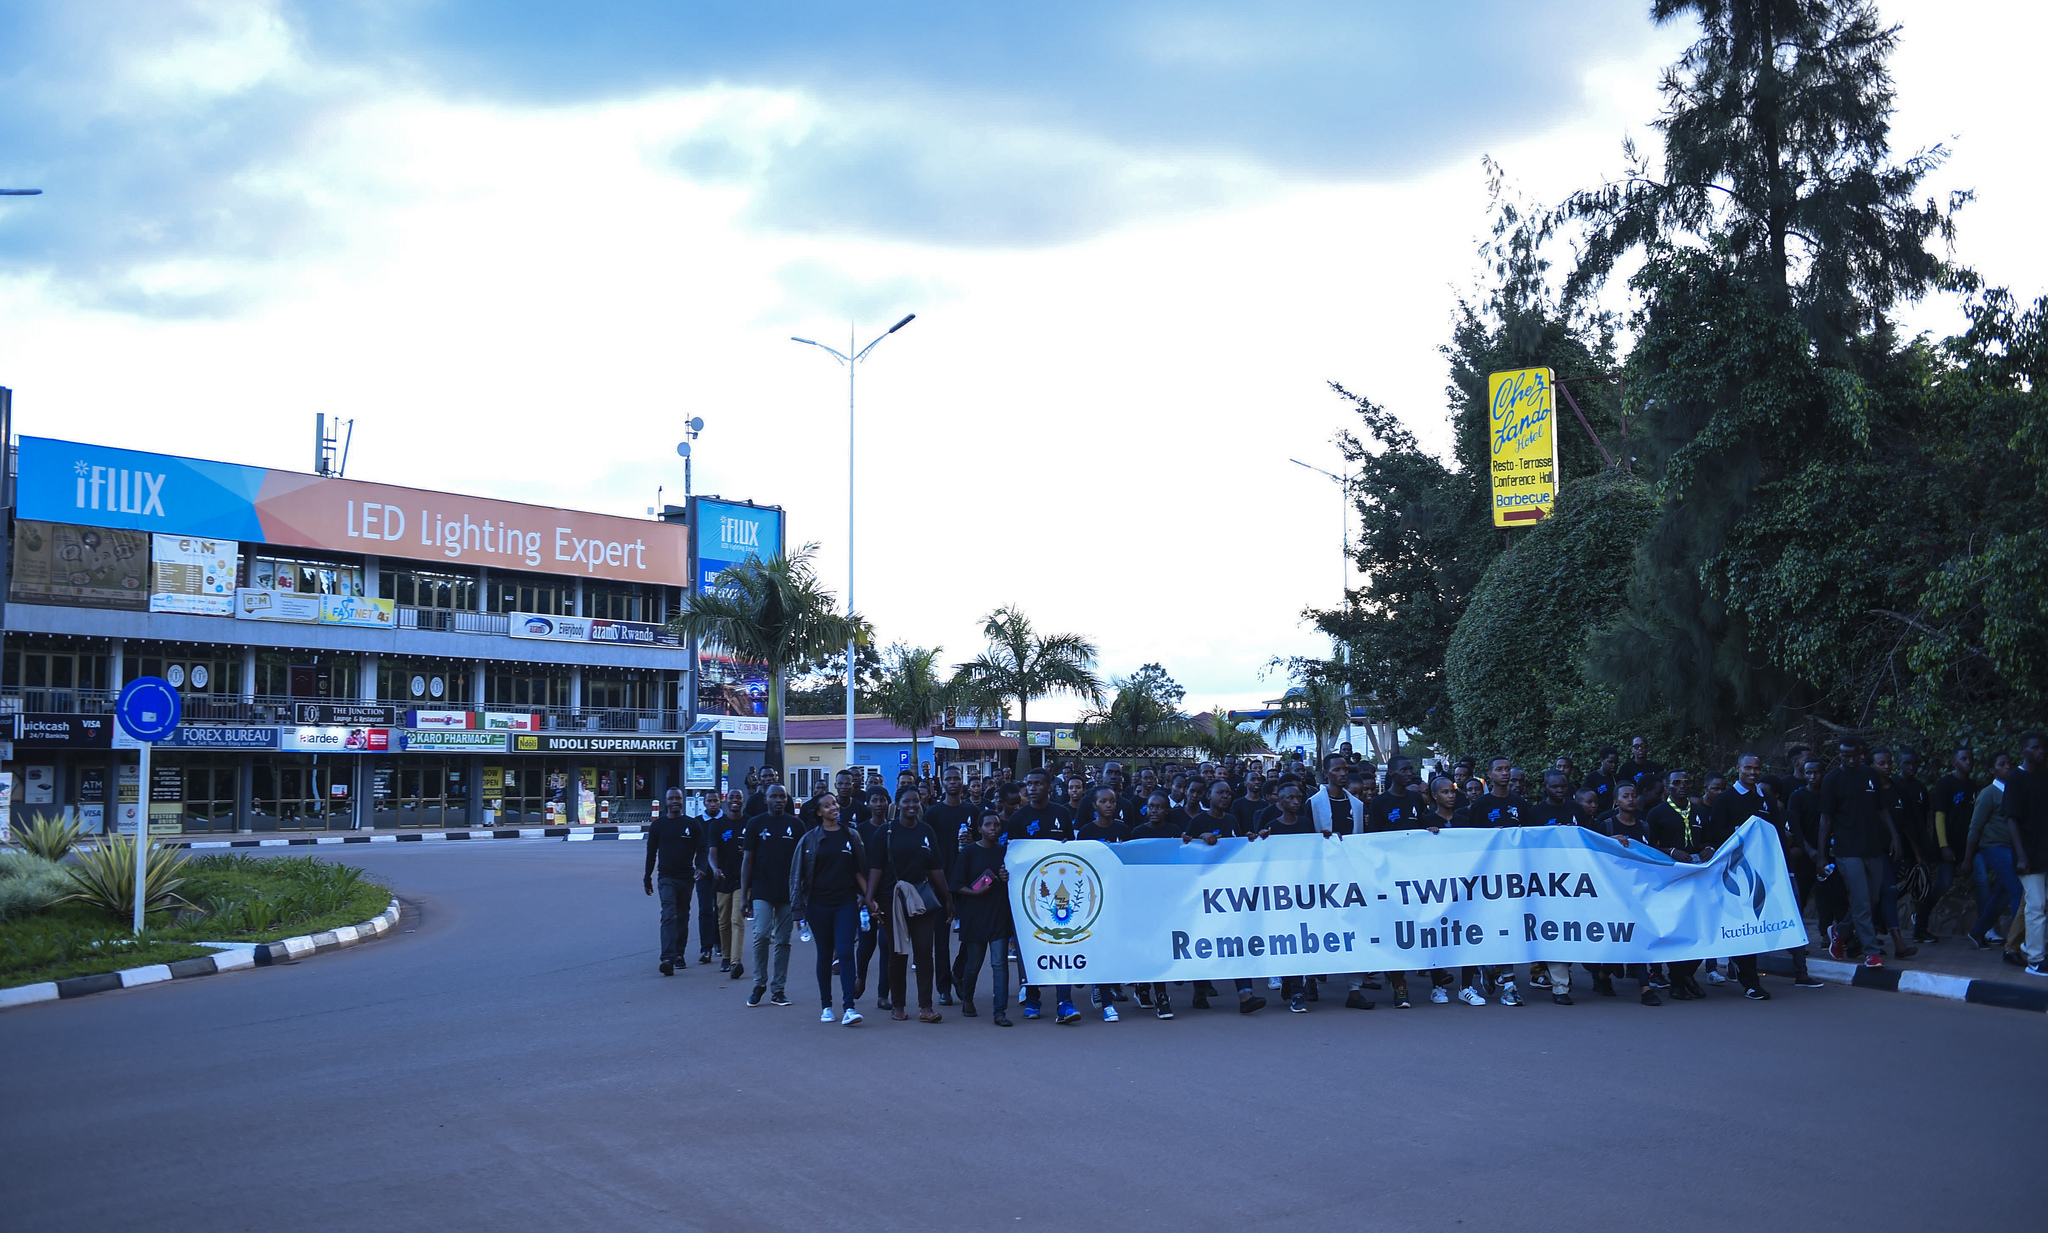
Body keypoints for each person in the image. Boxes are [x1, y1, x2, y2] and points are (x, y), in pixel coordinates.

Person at [1816, 738, 1906, 968]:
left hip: (1873, 847)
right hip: (1847, 850)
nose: (1850, 760)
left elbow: (1881, 808)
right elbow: (1826, 819)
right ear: (1839, 755)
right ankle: (1871, 952)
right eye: (1845, 756)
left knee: (1872, 898)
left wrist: (1895, 836)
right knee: (1861, 901)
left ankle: (1840, 931)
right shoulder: (1832, 780)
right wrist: (1821, 855)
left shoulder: (1870, 775)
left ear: (1861, 755)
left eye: (1854, 756)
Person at [869, 786, 953, 1023]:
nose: (911, 806)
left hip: (921, 897)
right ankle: (898, 1005)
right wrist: (870, 898)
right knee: (897, 953)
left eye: (915, 801)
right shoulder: (885, 832)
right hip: (891, 899)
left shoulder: (926, 831)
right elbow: (875, 867)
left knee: (924, 951)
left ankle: (926, 1007)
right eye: (906, 801)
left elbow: (935, 867)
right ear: (897, 805)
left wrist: (948, 898)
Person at [790, 791, 870, 1025]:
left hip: (846, 902)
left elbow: (860, 869)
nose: (833, 807)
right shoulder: (809, 839)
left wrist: (867, 897)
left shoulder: (851, 835)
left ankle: (849, 1007)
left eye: (834, 803)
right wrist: (798, 911)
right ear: (818, 812)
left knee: (845, 951)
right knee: (824, 954)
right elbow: (797, 875)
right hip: (818, 904)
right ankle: (826, 1006)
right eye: (827, 805)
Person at [1589, 782, 1661, 1005]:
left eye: (1634, 795)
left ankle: (1605, 975)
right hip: (1614, 892)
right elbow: (1592, 854)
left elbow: (1653, 855)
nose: (1631, 799)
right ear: (1616, 801)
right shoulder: (1607, 826)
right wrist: (1610, 842)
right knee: (1626, 936)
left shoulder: (1645, 827)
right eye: (1626, 796)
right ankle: (1645, 988)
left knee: (1632, 936)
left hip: (1640, 890)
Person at [1526, 769, 1592, 1005]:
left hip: (1575, 879)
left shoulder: (1576, 809)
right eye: (1554, 787)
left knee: (1573, 928)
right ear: (1545, 787)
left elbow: (1588, 837)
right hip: (1547, 882)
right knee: (1556, 931)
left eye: (1563, 786)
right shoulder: (1535, 813)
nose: (1560, 790)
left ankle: (1561, 971)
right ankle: (1560, 987)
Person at [741, 784, 804, 1007]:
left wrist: (802, 895)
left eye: (782, 796)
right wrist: (744, 895)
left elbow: (803, 862)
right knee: (761, 934)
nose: (778, 800)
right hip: (761, 889)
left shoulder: (796, 825)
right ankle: (759, 983)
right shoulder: (755, 824)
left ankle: (778, 989)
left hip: (788, 892)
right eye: (773, 796)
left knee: (783, 940)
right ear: (765, 799)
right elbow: (747, 861)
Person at [643, 788, 717, 975]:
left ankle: (679, 954)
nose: (675, 801)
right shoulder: (658, 825)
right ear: (666, 801)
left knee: (682, 916)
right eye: (671, 798)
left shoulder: (692, 825)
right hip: (666, 877)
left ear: (683, 801)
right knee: (669, 914)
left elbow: (702, 849)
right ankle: (667, 957)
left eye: (678, 798)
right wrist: (647, 877)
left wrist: (701, 867)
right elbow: (651, 853)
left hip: (686, 878)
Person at [951, 812, 1015, 1025]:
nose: (993, 828)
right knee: (973, 964)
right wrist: (975, 892)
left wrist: (1007, 878)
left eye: (996, 824)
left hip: (999, 915)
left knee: (1000, 964)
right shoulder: (969, 852)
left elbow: (1015, 880)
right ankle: (967, 997)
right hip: (975, 916)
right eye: (988, 825)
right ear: (979, 829)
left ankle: (1000, 1011)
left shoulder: (1005, 853)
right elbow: (956, 884)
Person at [2000, 732, 2048, 977]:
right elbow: (2012, 819)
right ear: (2022, 750)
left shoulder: (2044, 777)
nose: (2040, 751)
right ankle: (2036, 959)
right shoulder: (2016, 779)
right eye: (2035, 747)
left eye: (2043, 747)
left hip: (2044, 851)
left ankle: (2030, 945)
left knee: (2037, 904)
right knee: (2036, 905)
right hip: (2028, 854)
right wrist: (2021, 856)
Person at [1962, 753, 2018, 952]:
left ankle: (1979, 931)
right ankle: (2019, 942)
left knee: (2003, 893)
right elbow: (1975, 826)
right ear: (1992, 770)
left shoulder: (2014, 791)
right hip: (1994, 847)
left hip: (2013, 848)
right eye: (2002, 764)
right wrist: (1968, 858)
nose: (2007, 767)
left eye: (2009, 763)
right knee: (2018, 889)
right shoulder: (1989, 794)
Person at [1923, 746, 1975, 944]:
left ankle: (1985, 930)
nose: (1968, 762)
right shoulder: (1946, 783)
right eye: (1963, 758)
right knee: (1943, 884)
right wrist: (1944, 846)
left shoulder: (1972, 786)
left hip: (1967, 844)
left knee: (1980, 879)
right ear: (1954, 762)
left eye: (1970, 758)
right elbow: (1939, 815)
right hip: (1948, 844)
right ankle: (1921, 921)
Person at [709, 788, 749, 982]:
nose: (735, 800)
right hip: (722, 879)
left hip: (742, 880)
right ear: (726, 801)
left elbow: (757, 850)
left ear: (743, 800)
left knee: (737, 920)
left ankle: (735, 962)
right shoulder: (718, 825)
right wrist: (715, 869)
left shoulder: (750, 823)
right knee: (723, 921)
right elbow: (712, 852)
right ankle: (725, 956)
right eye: (732, 797)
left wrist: (747, 852)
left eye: (738, 798)